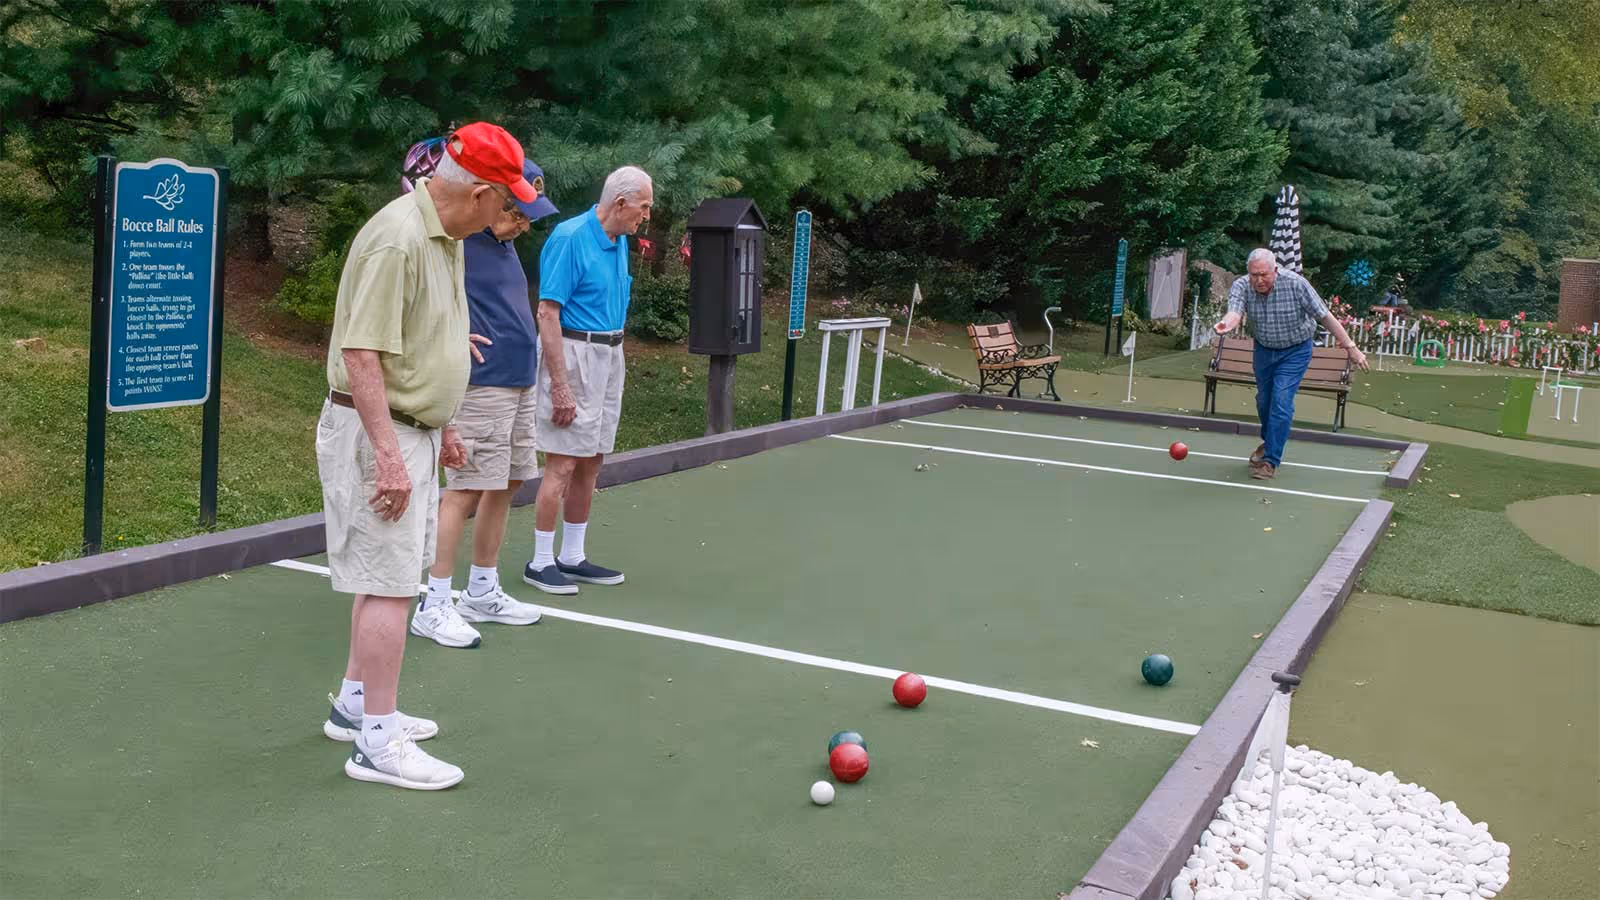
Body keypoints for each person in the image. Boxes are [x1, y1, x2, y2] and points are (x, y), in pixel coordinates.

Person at [316, 122, 541, 790]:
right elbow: (361, 353)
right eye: (506, 201)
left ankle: (356, 707)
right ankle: (377, 745)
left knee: (385, 577)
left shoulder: (445, 236)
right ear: (475, 192)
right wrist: (389, 454)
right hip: (378, 432)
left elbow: (419, 335)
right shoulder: (399, 239)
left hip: (410, 426)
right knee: (388, 586)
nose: (511, 214)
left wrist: (439, 421)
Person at [402, 146, 561, 649]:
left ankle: (482, 589)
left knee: (508, 482)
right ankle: (436, 601)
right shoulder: (461, 241)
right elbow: (428, 306)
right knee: (466, 488)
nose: (524, 225)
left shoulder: (503, 243)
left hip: (517, 380)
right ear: (492, 202)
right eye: (517, 214)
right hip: (480, 384)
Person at [522, 166, 653, 595]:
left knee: (593, 458)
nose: (646, 216)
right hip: (574, 354)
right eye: (644, 206)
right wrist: (559, 384)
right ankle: (540, 562)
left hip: (609, 354)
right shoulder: (570, 237)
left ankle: (572, 556)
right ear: (620, 203)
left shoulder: (619, 242)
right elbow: (547, 313)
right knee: (561, 462)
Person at [1213, 248, 1369, 480]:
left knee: (1281, 399)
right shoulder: (1242, 285)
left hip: (1296, 350)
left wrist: (1351, 347)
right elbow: (1234, 312)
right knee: (1264, 401)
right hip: (1264, 349)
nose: (1259, 280)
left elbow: (1325, 316)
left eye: (1264, 274)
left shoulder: (1296, 284)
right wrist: (1226, 324)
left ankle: (1270, 461)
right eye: (1254, 274)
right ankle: (1270, 442)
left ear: (1275, 270)